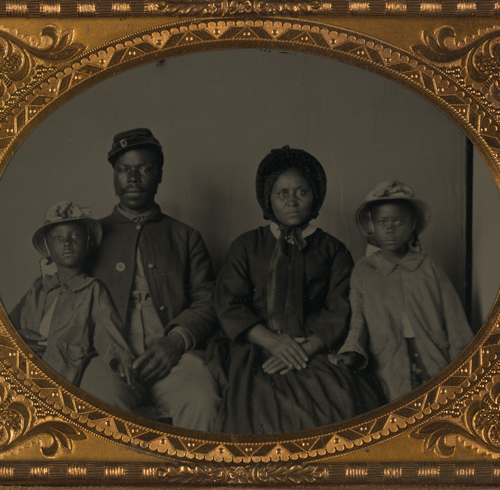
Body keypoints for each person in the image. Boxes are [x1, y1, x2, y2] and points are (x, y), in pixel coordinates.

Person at [208, 145, 382, 434]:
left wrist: (310, 346)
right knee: (256, 406)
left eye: (301, 192)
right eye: (282, 193)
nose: (292, 201)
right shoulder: (246, 245)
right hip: (257, 345)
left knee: (338, 400)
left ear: (315, 198)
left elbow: (340, 305)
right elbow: (229, 303)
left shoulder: (333, 250)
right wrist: (271, 341)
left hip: (314, 346)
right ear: (268, 199)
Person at [79, 128, 220, 430]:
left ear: (159, 175)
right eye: (124, 169)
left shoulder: (185, 236)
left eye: (145, 168)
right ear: (114, 176)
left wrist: (174, 341)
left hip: (175, 358)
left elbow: (208, 302)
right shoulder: (90, 236)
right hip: (108, 359)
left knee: (202, 399)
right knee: (97, 404)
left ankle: (197, 479)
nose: (133, 177)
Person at [335, 180, 474, 402]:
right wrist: (352, 349)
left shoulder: (428, 266)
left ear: (411, 227)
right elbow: (358, 317)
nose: (390, 229)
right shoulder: (364, 270)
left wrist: (465, 361)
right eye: (382, 222)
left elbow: (453, 315)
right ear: (372, 227)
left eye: (399, 221)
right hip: (387, 357)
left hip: (433, 352)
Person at [9, 201, 136, 394]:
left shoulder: (92, 290)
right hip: (26, 366)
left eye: (76, 236)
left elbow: (106, 329)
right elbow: (12, 325)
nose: (67, 243)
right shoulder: (40, 286)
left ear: (87, 244)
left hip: (63, 370)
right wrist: (20, 338)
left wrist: (120, 359)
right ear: (48, 248)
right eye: (58, 238)